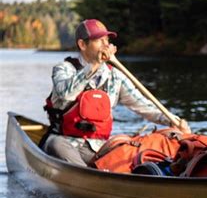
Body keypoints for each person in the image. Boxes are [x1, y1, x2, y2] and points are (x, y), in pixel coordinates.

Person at [42, 19, 190, 166]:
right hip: (64, 142)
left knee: (128, 149)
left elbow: (144, 106)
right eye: (99, 40)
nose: (106, 44)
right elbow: (65, 93)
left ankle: (108, 174)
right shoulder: (63, 69)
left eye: (107, 40)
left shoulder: (115, 76)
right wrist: (94, 65)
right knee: (56, 144)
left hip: (98, 147)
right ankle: (90, 177)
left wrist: (172, 120)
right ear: (82, 44)